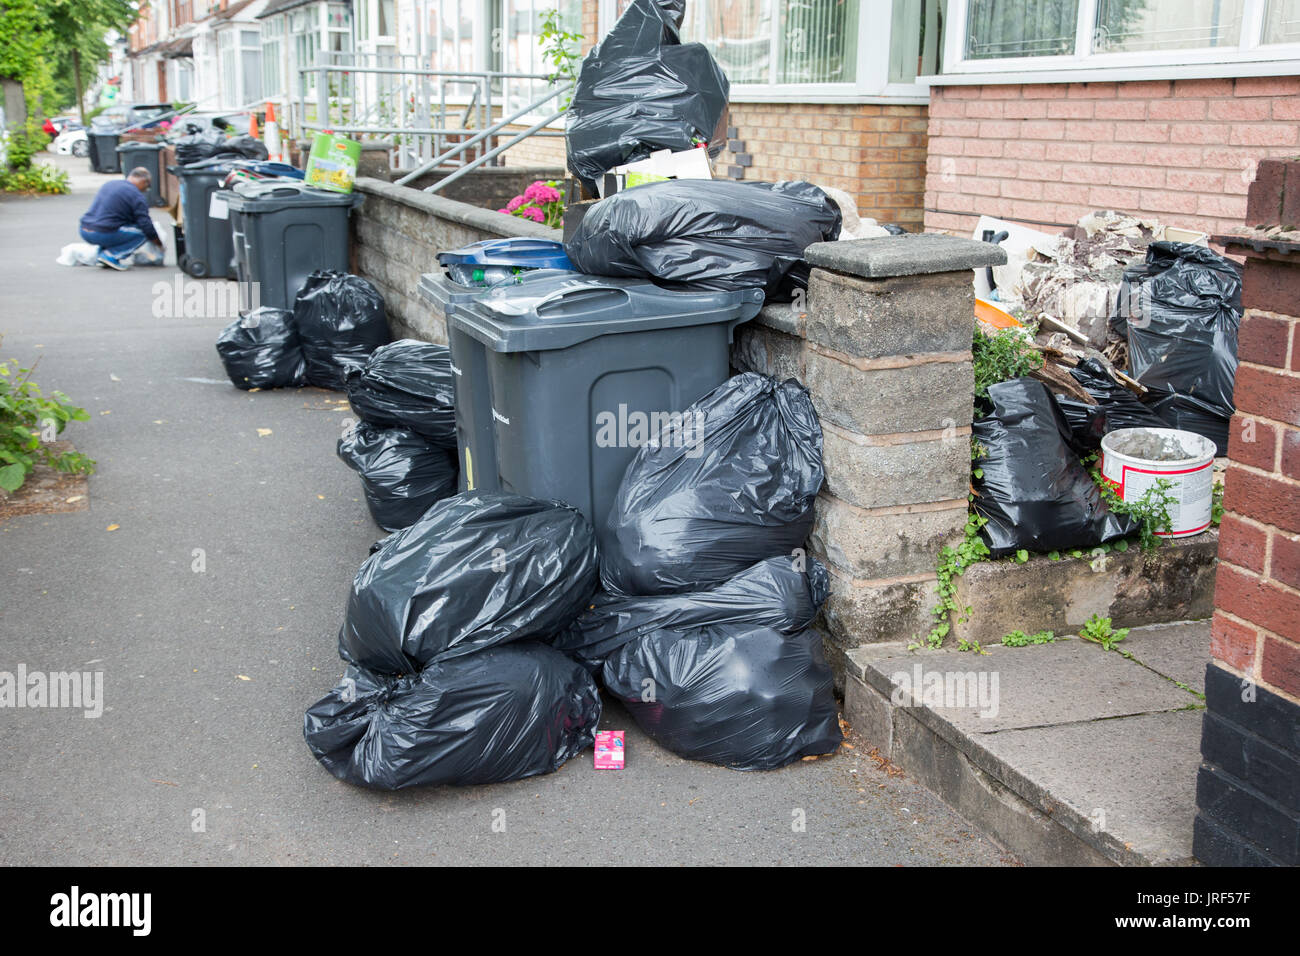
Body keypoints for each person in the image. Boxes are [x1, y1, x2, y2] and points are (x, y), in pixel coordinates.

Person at [78, 167, 164, 270]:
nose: (146, 190)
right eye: (148, 186)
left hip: (84, 229)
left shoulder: (110, 184)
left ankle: (101, 256)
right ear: (144, 182)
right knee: (143, 234)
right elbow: (146, 225)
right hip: (103, 233)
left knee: (120, 227)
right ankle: (110, 255)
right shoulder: (136, 196)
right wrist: (158, 243)